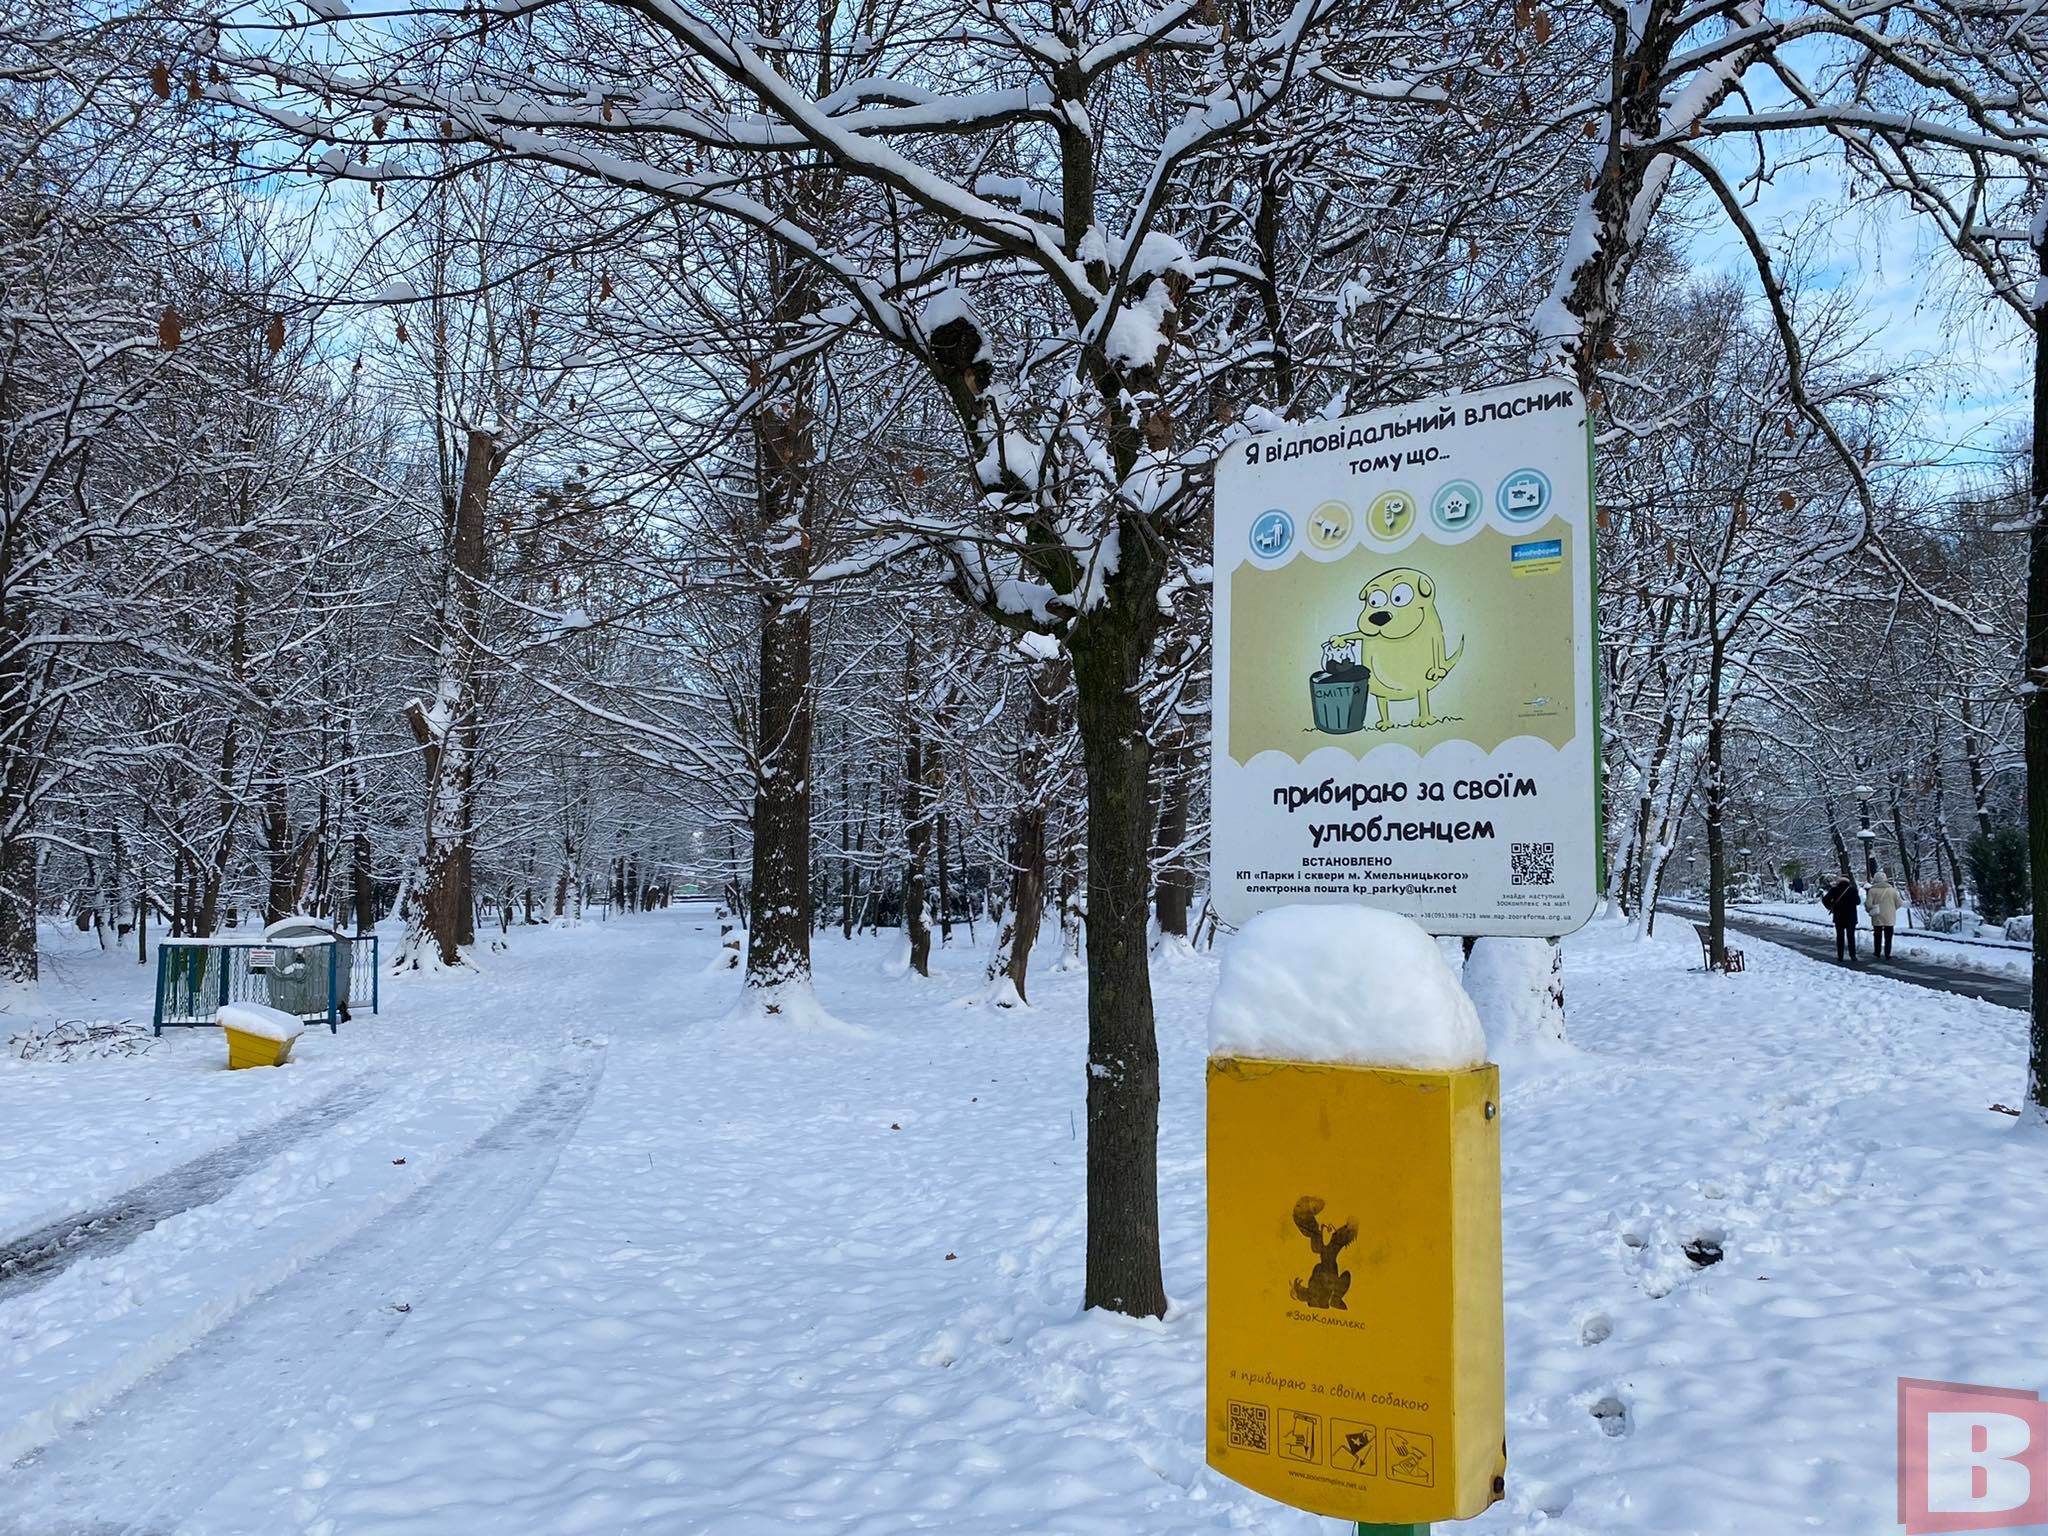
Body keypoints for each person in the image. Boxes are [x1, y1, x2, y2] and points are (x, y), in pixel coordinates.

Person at [1821, 872, 1861, 963]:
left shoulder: (1834, 890)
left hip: (1839, 917)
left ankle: (1840, 956)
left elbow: (1825, 900)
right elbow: (1858, 902)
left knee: (1840, 937)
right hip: (1851, 917)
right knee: (1851, 937)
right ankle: (1853, 955)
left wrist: (1831, 906)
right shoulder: (1852, 890)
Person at [1866, 871, 1903, 960]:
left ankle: (1877, 952)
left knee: (1877, 934)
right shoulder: (1892, 890)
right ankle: (1887, 953)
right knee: (1888, 935)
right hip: (1889, 916)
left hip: (1877, 915)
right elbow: (1900, 903)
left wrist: (1869, 909)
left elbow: (1868, 904)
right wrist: (1892, 909)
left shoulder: (1872, 890)